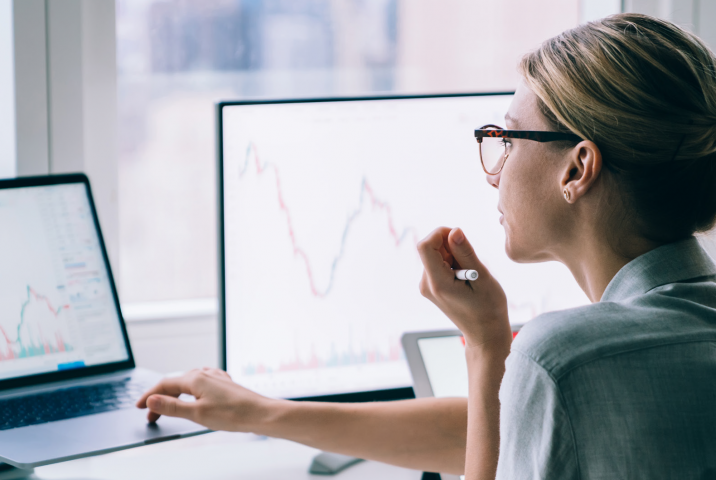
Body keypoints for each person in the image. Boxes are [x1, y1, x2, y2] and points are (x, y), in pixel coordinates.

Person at [137, 13, 716, 479]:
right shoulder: (631, 348)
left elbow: (533, 404)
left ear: (578, 169)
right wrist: (264, 413)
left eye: (509, 139)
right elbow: (511, 426)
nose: (497, 170)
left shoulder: (563, 357)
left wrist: (492, 351)